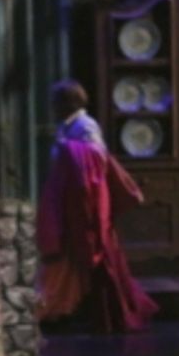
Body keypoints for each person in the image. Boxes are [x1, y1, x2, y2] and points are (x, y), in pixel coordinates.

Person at [35, 79, 158, 332]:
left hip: (85, 205)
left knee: (97, 259)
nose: (53, 109)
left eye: (56, 103)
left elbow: (95, 161)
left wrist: (67, 148)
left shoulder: (85, 126)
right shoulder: (68, 127)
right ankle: (65, 310)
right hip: (70, 203)